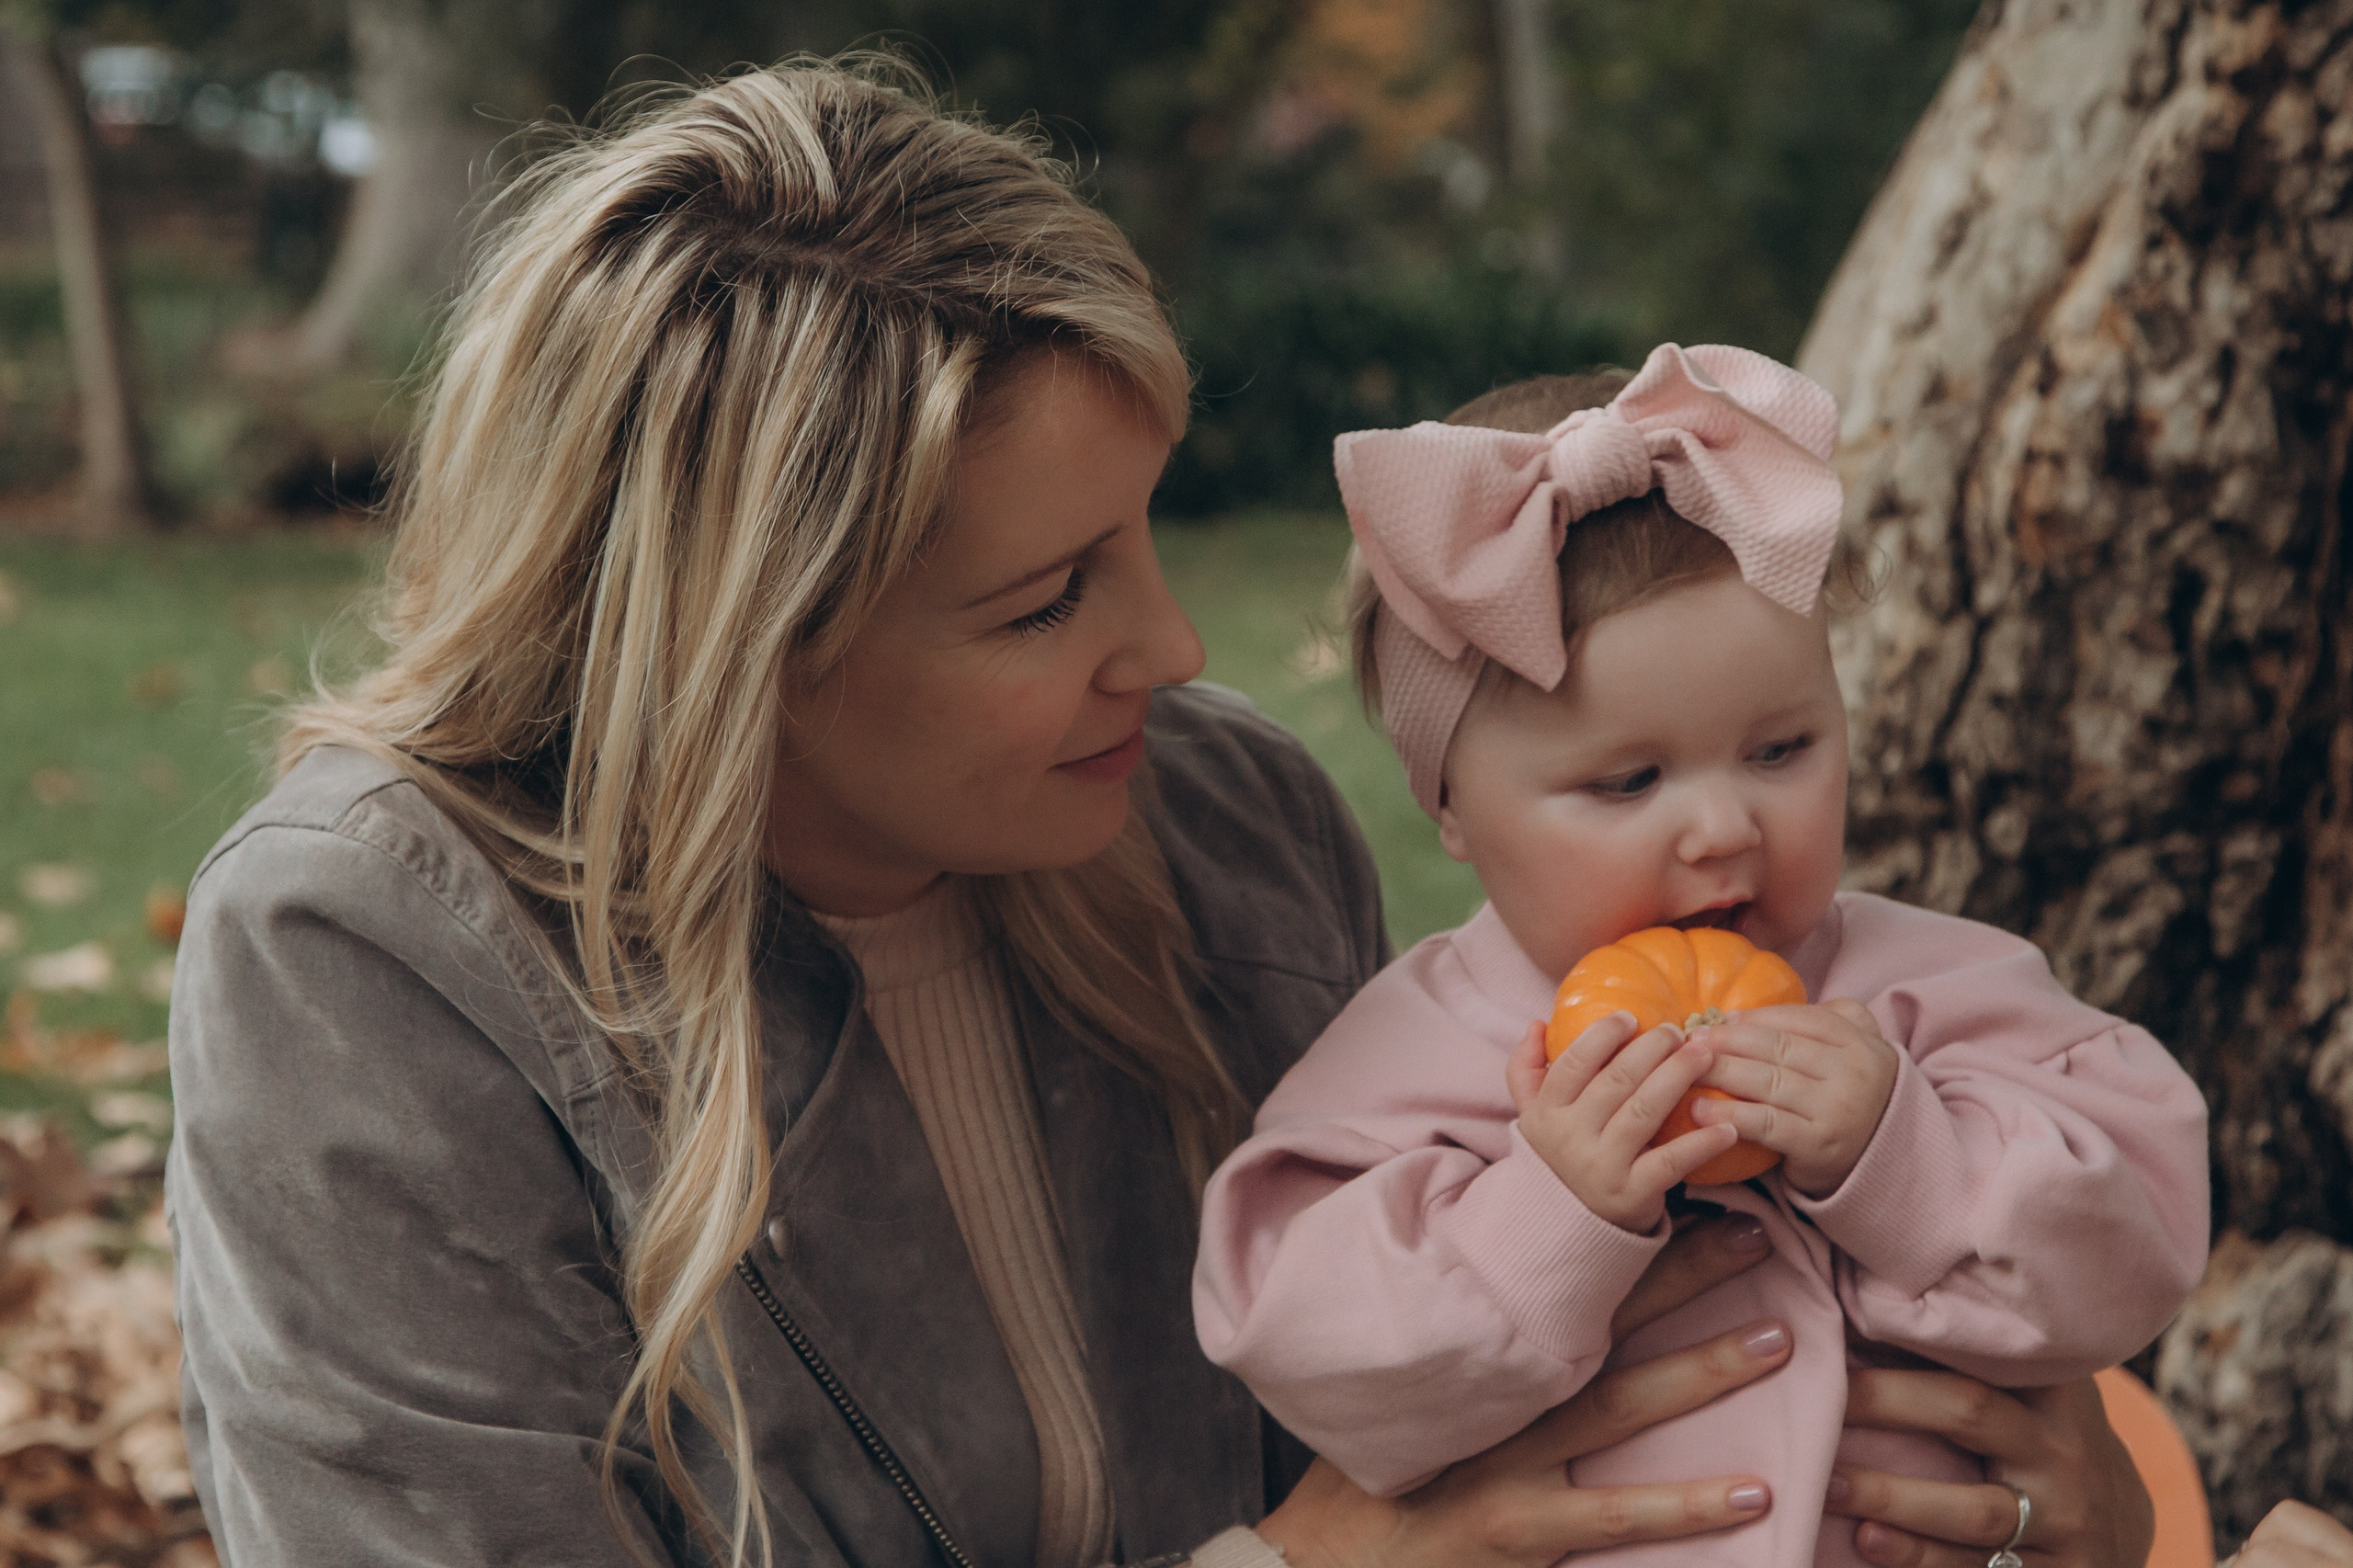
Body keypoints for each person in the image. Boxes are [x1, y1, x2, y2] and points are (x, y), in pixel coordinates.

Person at [164, 62, 2167, 1568]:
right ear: (737, 649)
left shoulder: (1207, 824)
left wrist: (2066, 1480)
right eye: (1047, 600)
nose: (1176, 642)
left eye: (1144, 534)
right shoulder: (374, 969)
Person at [1193, 347, 2211, 1566]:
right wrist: (1543, 1216)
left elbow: (2133, 1256)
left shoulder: (1939, 993)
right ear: (1451, 806)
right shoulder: (1412, 1058)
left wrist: (1912, 1156)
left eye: (1781, 749)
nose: (1726, 826)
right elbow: (1320, 1360)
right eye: (1629, 780)